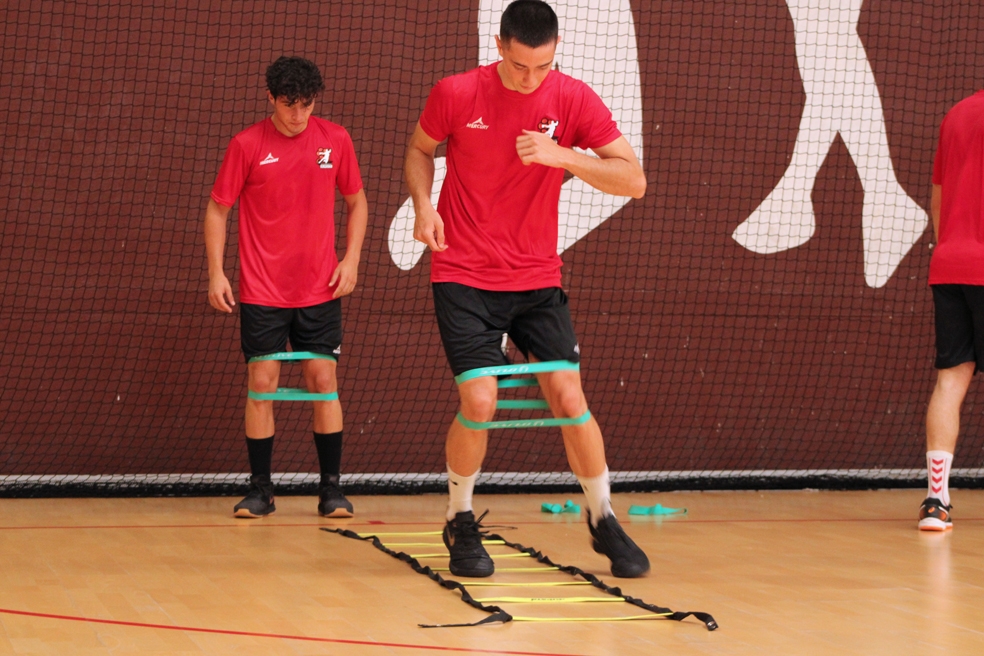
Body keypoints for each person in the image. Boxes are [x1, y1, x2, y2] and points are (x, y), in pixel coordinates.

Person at [404, 0, 650, 577]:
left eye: (543, 66)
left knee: (569, 399)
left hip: (537, 277)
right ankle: (460, 517)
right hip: (463, 274)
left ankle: (602, 517)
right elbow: (419, 149)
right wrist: (422, 203)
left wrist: (563, 154)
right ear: (499, 47)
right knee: (480, 401)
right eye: (519, 66)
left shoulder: (573, 98)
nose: (530, 78)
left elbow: (634, 180)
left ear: (556, 51)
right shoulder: (456, 92)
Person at [204, 56, 368, 519]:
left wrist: (351, 260)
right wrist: (216, 272)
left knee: (323, 381)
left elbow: (357, 202)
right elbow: (218, 209)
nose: (298, 115)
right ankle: (261, 491)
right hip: (262, 290)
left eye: (306, 105)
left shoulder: (335, 139)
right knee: (262, 384)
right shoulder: (247, 144)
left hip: (320, 288)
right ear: (270, 98)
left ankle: (331, 491)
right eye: (289, 104)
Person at [918, 89, 984, 531]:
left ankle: (935, 503)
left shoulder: (958, 114)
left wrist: (952, 251)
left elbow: (938, 196)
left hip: (950, 265)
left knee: (951, 379)